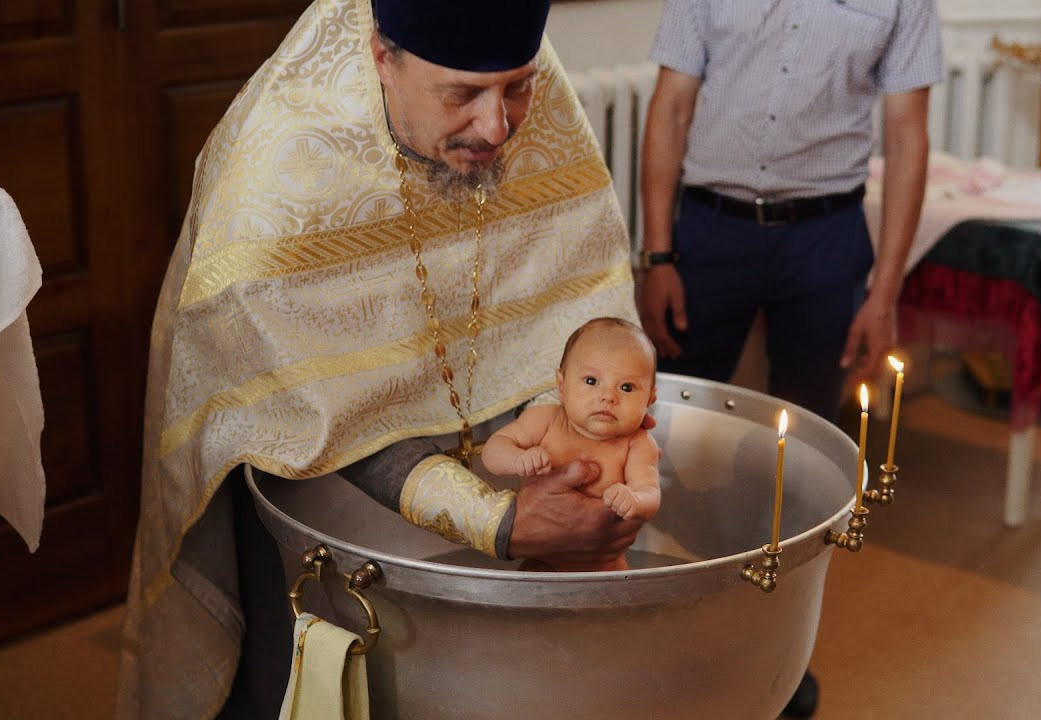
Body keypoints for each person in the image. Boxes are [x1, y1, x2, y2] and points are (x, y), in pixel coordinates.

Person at [118, 1, 645, 717]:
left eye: (518, 87)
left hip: (504, 467)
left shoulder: (534, 96)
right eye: (461, 96)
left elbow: (576, 305)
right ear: (380, 60)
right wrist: (491, 521)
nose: (498, 128)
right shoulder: (281, 162)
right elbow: (303, 401)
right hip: (320, 506)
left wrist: (588, 457)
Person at [636, 1, 944, 715]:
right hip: (709, 233)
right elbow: (671, 107)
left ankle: (777, 655)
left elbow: (907, 133)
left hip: (826, 240)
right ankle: (658, 635)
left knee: (804, 464)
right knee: (666, 438)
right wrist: (657, 254)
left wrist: (886, 290)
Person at [482, 317, 661, 571]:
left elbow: (650, 493)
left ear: (650, 398)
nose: (608, 397)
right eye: (591, 381)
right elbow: (492, 451)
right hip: (542, 560)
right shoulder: (544, 420)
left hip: (604, 566)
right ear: (561, 385)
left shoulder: (638, 444)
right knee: (529, 589)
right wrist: (517, 459)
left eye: (627, 387)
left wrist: (634, 500)